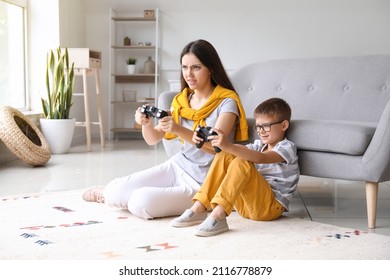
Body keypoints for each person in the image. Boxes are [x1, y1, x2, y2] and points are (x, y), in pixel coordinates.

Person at [82, 39, 248, 219]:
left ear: (211, 69)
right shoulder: (181, 101)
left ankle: (199, 204)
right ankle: (112, 195)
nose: (189, 74)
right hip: (177, 165)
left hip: (204, 182)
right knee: (114, 191)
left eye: (196, 67)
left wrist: (178, 129)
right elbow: (152, 139)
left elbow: (218, 148)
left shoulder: (227, 102)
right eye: (185, 67)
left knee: (140, 203)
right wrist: (146, 123)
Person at [170, 97, 300, 237]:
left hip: (269, 207)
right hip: (245, 207)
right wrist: (216, 140)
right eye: (258, 127)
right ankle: (199, 207)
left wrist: (228, 146)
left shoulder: (287, 147)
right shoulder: (258, 145)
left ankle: (218, 215)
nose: (261, 131)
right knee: (225, 154)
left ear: (284, 125)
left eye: (266, 126)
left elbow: (261, 158)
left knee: (242, 161)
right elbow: (235, 150)